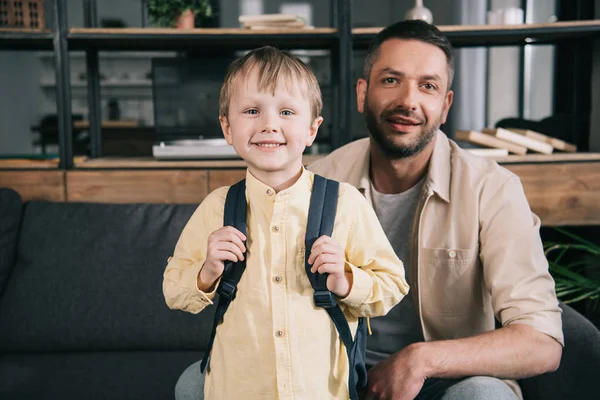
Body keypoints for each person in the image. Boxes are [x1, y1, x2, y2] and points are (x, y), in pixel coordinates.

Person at [175, 21, 564, 400]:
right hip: (331, 375)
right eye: (391, 80)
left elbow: (542, 341)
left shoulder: (493, 190)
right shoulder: (316, 179)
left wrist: (420, 360)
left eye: (427, 86)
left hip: (443, 379)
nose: (408, 101)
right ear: (362, 93)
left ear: (445, 104)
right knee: (195, 384)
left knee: (483, 395)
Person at [163, 46, 408, 400]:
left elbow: (392, 285)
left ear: (311, 129)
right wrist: (207, 271)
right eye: (251, 110)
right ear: (227, 128)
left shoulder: (345, 205)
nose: (269, 124)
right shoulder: (217, 207)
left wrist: (345, 279)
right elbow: (173, 289)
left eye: (287, 111)